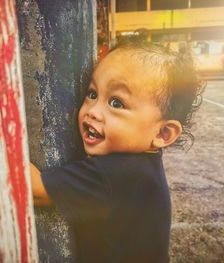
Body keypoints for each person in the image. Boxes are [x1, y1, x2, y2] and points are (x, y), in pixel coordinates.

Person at [30, 39, 204, 263]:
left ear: (163, 134)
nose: (93, 111)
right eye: (92, 94)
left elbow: (33, 189)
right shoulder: (144, 165)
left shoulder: (115, 175)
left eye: (116, 103)